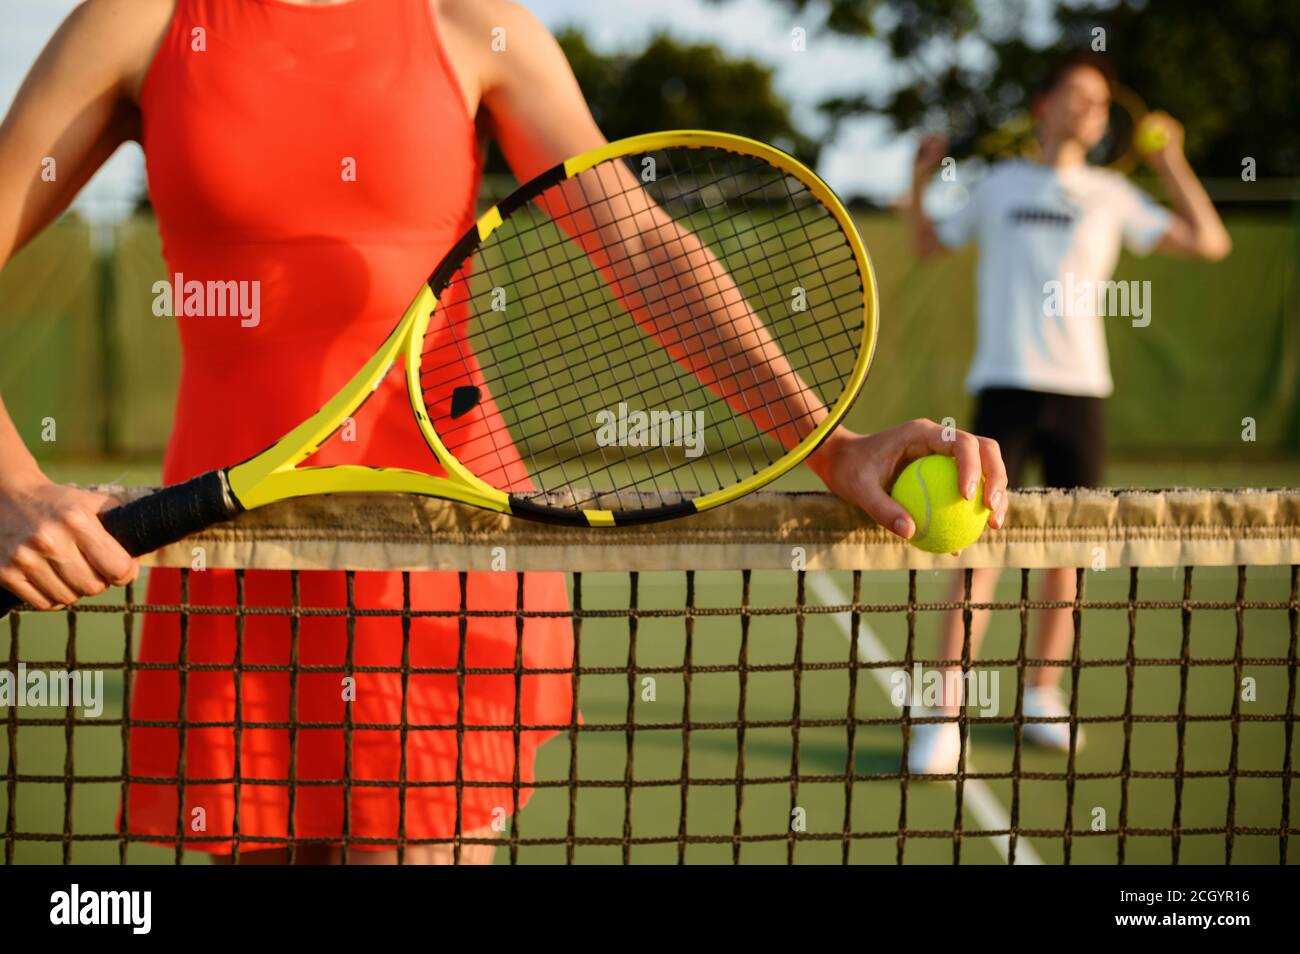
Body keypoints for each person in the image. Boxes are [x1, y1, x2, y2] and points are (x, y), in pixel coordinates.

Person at [0, 0, 1007, 862]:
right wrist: (9, 480)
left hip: (446, 559)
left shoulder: (474, 27)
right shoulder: (141, 22)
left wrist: (829, 445)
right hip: (232, 565)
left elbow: (642, 249)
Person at [905, 52, 1230, 774]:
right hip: (1004, 390)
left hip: (1082, 391)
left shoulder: (1112, 195)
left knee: (1068, 554)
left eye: (1101, 100)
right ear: (1044, 105)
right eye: (1077, 95)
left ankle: (1041, 697)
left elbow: (1211, 241)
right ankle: (943, 716)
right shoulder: (1000, 185)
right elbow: (926, 243)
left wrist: (1173, 160)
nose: (1090, 108)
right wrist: (921, 178)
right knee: (975, 553)